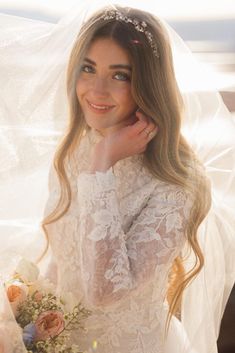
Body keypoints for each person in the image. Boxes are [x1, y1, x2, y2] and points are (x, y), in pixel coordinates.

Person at [0, 2, 235, 353]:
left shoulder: (176, 184)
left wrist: (101, 167)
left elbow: (105, 290)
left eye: (120, 75)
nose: (97, 89)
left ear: (148, 83)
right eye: (89, 68)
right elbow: (62, 263)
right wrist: (27, 325)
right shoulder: (71, 153)